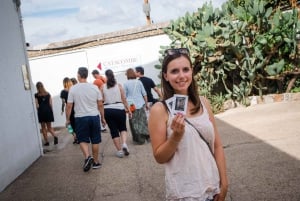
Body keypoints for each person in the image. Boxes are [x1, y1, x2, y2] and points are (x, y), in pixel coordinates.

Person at [148, 48, 228, 201]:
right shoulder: (160, 110)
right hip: (184, 194)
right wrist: (175, 137)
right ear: (165, 76)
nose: (181, 76)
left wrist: (224, 183)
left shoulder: (203, 103)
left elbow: (217, 145)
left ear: (191, 71)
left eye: (185, 69)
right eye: (174, 71)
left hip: (213, 188)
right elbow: (159, 157)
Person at [66, 67, 106, 172]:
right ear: (87, 75)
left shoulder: (73, 89)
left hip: (80, 118)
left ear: (78, 75)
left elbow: (69, 106)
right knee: (95, 140)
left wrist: (67, 119)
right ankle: (96, 162)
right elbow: (100, 104)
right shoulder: (94, 88)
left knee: (82, 139)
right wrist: (103, 118)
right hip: (94, 116)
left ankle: (88, 157)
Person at [101, 69, 132, 158]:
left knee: (114, 131)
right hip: (120, 109)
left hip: (108, 110)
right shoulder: (119, 86)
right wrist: (128, 110)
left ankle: (119, 151)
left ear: (106, 77)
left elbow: (100, 101)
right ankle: (124, 144)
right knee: (123, 128)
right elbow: (124, 99)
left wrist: (102, 116)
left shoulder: (102, 87)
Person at [123, 68, 149, 144]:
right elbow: (144, 94)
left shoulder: (125, 83)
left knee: (133, 122)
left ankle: (137, 139)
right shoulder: (139, 82)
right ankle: (146, 136)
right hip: (140, 104)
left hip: (131, 105)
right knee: (142, 121)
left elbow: (124, 96)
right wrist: (146, 103)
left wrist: (125, 106)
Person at [34, 81, 58, 146]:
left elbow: (37, 105)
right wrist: (51, 112)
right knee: (49, 127)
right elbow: (50, 104)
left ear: (37, 88)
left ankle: (47, 142)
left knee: (43, 128)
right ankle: (55, 136)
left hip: (41, 112)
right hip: (48, 111)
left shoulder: (36, 95)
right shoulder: (48, 94)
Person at [60, 77, 78, 144]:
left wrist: (62, 110)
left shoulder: (63, 92)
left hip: (68, 109)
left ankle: (75, 136)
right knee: (76, 124)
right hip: (76, 109)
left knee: (69, 125)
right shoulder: (74, 90)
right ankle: (77, 137)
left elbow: (63, 102)